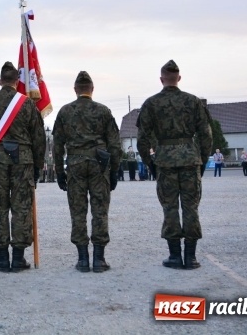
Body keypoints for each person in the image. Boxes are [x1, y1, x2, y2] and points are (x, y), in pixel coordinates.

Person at [137, 60, 212, 270]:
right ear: (179, 78)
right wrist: (202, 160)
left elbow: (142, 139)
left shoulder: (151, 103)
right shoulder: (193, 101)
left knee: (169, 207)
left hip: (165, 160)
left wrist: (150, 163)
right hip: (190, 159)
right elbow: (206, 135)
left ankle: (175, 256)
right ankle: (191, 257)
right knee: (191, 206)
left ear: (161, 79)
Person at [0, 62, 45, 273]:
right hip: (23, 161)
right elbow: (39, 138)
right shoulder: (27, 104)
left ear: (0, 81)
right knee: (22, 207)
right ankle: (19, 258)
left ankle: (2, 258)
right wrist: (37, 167)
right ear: (16, 82)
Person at [52, 71, 122, 273]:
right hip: (99, 165)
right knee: (100, 210)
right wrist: (114, 171)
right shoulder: (103, 111)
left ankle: (83, 259)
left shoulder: (65, 111)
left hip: (75, 164)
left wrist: (59, 172)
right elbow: (115, 144)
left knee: (78, 210)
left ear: (75, 90)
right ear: (92, 89)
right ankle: (99, 259)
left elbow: (57, 145)